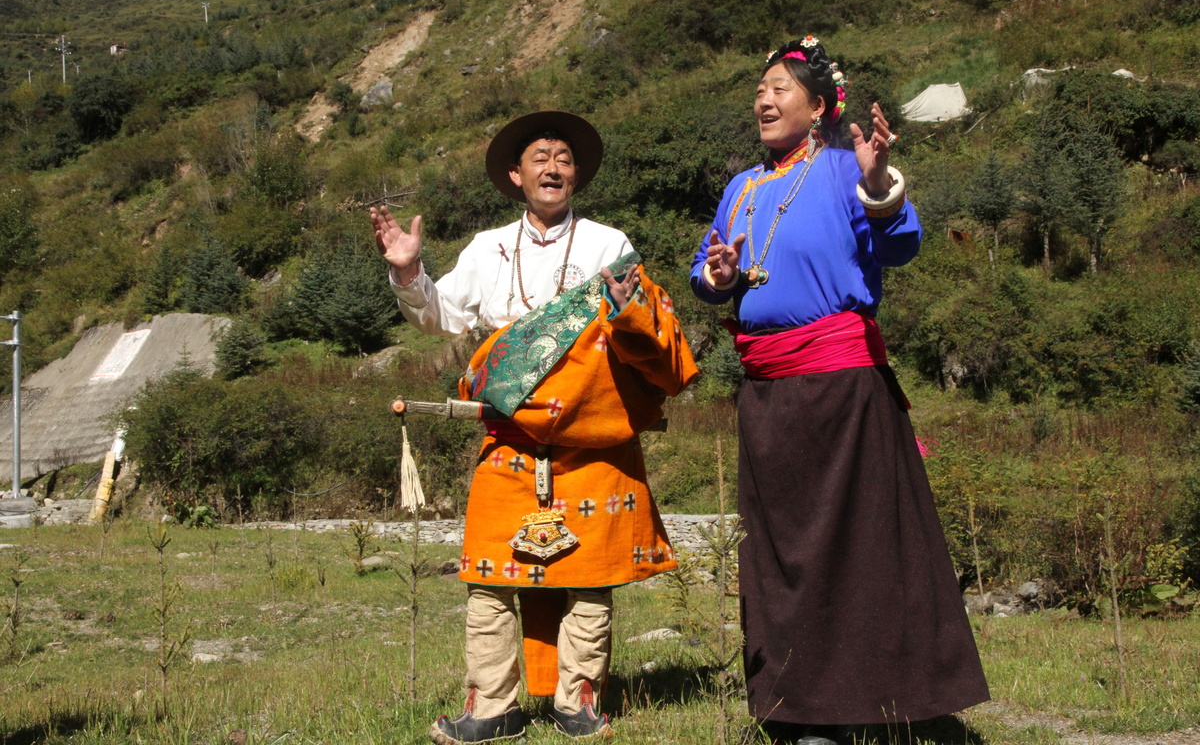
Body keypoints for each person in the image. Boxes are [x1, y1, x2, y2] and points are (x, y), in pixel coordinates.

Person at [690, 37, 989, 744]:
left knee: (863, 548)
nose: (764, 100)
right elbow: (707, 274)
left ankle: (891, 703)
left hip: (843, 390)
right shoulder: (740, 188)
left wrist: (878, 183)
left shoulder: (843, 169)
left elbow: (899, 245)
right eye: (760, 90)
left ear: (819, 106)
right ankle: (799, 705)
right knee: (781, 555)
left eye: (780, 89)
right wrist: (718, 276)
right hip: (767, 395)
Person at [371, 110, 697, 745]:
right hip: (510, 438)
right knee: (489, 573)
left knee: (590, 575)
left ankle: (579, 700)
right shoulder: (486, 247)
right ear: (516, 176)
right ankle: (493, 706)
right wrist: (409, 273)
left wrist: (628, 310)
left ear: (576, 177)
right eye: (540, 159)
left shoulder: (608, 242)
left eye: (564, 159)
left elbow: (643, 327)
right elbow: (442, 317)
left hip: (593, 438)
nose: (553, 168)